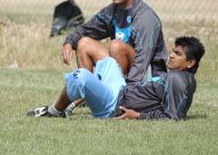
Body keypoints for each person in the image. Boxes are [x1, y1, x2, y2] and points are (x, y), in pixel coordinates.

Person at [61, 0, 167, 114]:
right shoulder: (112, 11)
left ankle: (117, 97)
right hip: (122, 68)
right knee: (84, 43)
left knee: (116, 46)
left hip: (147, 77)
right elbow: (87, 29)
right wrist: (69, 42)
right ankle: (89, 94)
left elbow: (143, 61)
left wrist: (129, 93)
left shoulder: (145, 18)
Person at [27, 36, 205, 120]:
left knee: (81, 76)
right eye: (173, 51)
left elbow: (174, 116)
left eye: (178, 54)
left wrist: (138, 115)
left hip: (113, 106)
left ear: (190, 62)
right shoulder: (181, 76)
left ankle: (54, 111)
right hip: (120, 90)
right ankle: (81, 98)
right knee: (108, 62)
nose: (172, 55)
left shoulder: (178, 80)